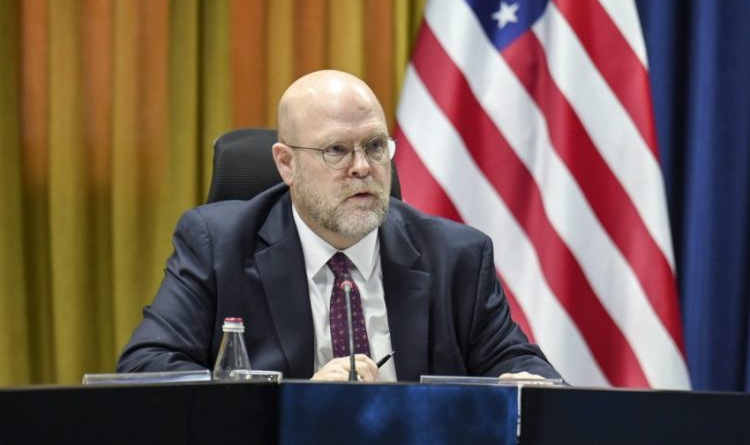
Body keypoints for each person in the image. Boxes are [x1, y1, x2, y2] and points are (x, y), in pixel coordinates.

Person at [117, 69, 561, 382]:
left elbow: (522, 367)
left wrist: (529, 387)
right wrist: (294, 402)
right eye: (336, 150)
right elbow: (146, 368)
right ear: (287, 164)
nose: (362, 167)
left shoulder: (456, 256)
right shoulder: (218, 244)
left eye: (375, 146)